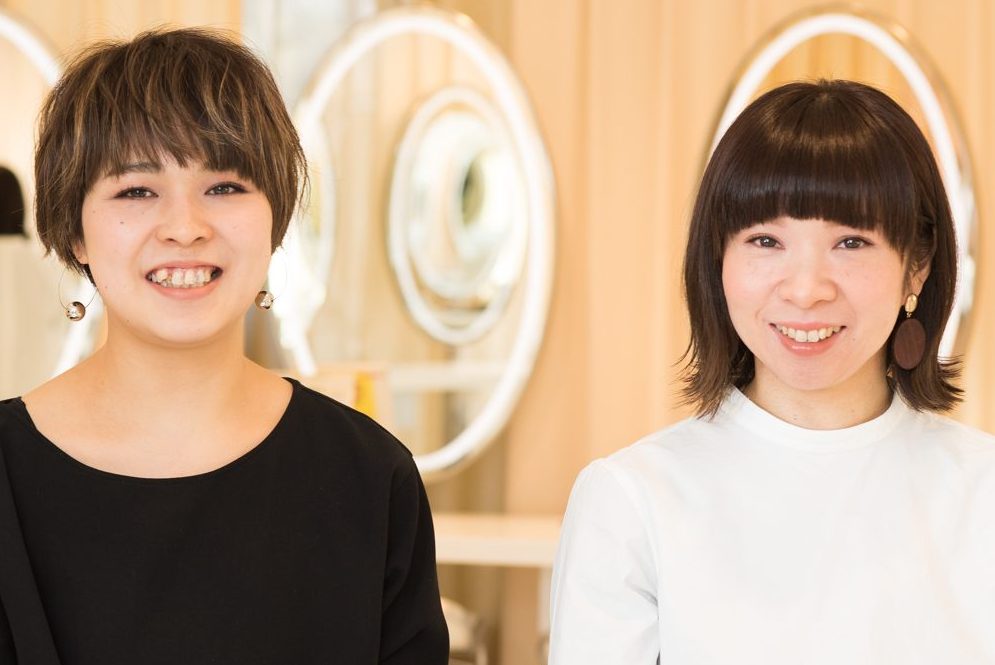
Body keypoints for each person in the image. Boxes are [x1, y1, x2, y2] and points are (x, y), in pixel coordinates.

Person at [0, 27, 448, 664]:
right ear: (75, 230)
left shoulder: (370, 478)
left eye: (225, 187)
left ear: (276, 219)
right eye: (136, 190)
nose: (185, 228)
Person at [548, 79, 995, 664]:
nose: (806, 290)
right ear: (718, 258)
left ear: (918, 266)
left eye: (851, 242)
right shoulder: (631, 501)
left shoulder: (982, 493)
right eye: (765, 240)